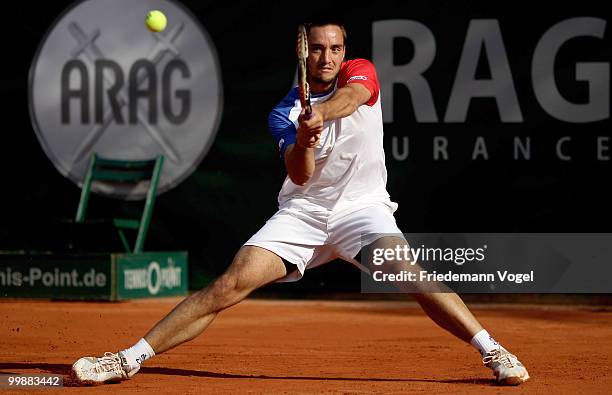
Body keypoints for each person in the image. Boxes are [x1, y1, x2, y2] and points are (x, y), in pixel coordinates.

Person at [71, 20, 529, 386]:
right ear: (304, 53)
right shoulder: (281, 115)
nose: (326, 57)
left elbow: (354, 98)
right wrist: (305, 138)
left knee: (410, 274)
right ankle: (127, 359)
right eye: (317, 49)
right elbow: (300, 176)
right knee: (229, 284)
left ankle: (493, 349)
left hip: (363, 210)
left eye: (334, 49)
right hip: (302, 214)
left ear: (344, 53)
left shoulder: (360, 72)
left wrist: (322, 114)